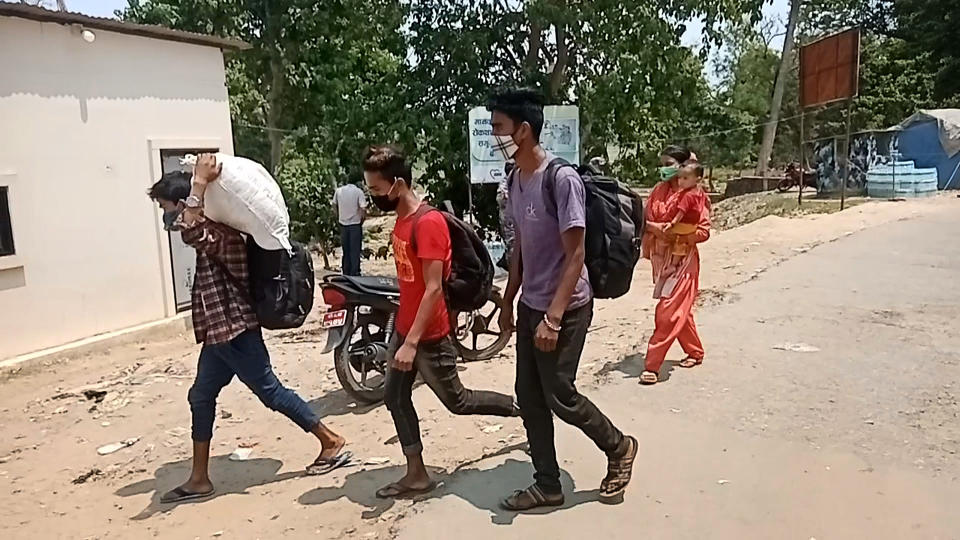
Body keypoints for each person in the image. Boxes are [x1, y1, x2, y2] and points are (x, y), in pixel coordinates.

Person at [148, 154, 350, 504]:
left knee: (271, 392)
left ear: (183, 204)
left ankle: (330, 440)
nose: (167, 217)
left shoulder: (219, 234)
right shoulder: (216, 227)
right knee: (200, 396)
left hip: (235, 329)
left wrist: (198, 182)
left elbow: (190, 229)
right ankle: (199, 478)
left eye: (168, 209)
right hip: (218, 334)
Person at [489, 88, 638, 510]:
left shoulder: (561, 179)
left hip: (566, 306)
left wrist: (553, 319)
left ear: (523, 130)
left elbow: (575, 255)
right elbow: (520, 247)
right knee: (529, 396)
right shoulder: (515, 178)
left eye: (498, 127)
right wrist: (508, 301)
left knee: (560, 393)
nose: (494, 135)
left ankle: (619, 446)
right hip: (531, 304)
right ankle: (547, 484)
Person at [362, 145, 520, 499]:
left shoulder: (428, 223)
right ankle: (416, 474)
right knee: (395, 398)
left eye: (375, 190)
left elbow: (433, 289)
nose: (372, 197)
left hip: (429, 333)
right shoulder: (401, 221)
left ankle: (520, 409)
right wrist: (402, 335)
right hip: (406, 328)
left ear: (397, 184)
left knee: (458, 401)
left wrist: (413, 342)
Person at [638, 146, 711, 385]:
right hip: (661, 259)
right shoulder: (658, 190)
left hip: (683, 259)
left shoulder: (696, 195)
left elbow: (703, 231)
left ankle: (652, 364)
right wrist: (654, 228)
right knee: (680, 309)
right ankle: (695, 351)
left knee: (668, 311)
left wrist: (680, 235)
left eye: (669, 163)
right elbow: (644, 219)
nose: (663, 168)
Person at [663, 162, 709, 257]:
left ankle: (673, 264)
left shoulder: (688, 195)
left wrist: (672, 223)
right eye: (679, 178)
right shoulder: (698, 192)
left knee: (665, 235)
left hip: (684, 225)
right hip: (693, 225)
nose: (681, 181)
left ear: (697, 179)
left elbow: (681, 212)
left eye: (685, 178)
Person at [333, 176, 367, 276]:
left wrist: (338, 216)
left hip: (343, 224)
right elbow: (363, 208)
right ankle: (355, 272)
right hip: (355, 224)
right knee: (355, 251)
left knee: (346, 250)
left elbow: (334, 205)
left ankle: (346, 272)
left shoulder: (338, 191)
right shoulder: (358, 192)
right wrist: (362, 220)